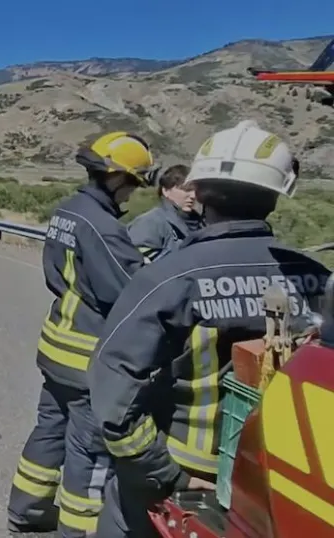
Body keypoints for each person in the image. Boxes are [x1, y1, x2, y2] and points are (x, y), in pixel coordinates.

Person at [88, 120, 330, 538]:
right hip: (280, 481)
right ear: (275, 197)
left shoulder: (168, 278)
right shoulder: (317, 277)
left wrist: (157, 470)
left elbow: (113, 390)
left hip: (185, 474)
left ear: (197, 192)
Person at [8, 132, 156, 537]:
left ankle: (26, 510)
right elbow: (133, 292)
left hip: (57, 346)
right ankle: (78, 531)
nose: (132, 194)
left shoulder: (67, 210)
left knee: (49, 432)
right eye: (133, 183)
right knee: (88, 456)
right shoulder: (103, 227)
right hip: (87, 358)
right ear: (114, 177)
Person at [127, 164, 204, 263]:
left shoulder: (202, 225)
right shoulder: (150, 223)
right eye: (186, 190)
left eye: (195, 190)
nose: (193, 195)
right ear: (166, 190)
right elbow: (138, 265)